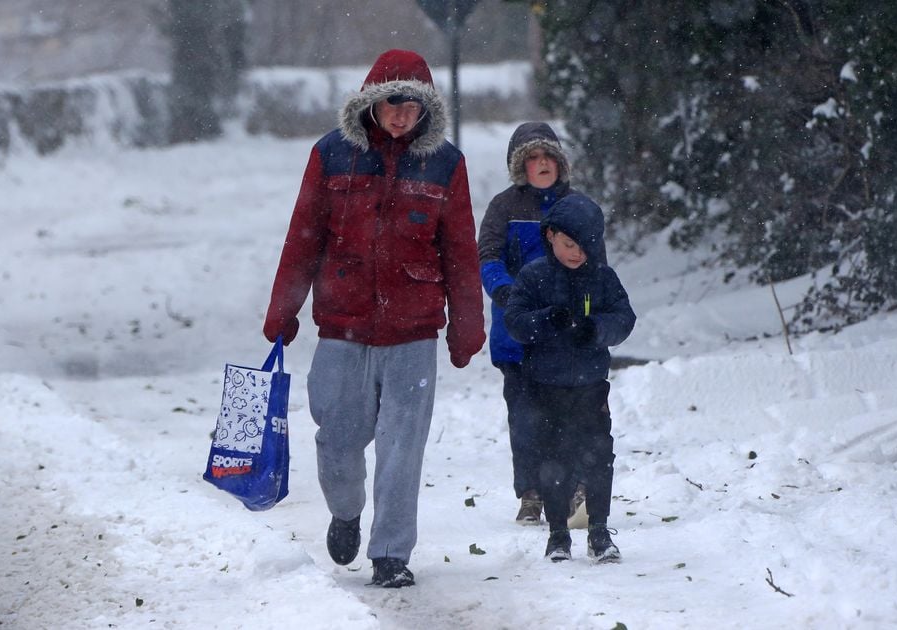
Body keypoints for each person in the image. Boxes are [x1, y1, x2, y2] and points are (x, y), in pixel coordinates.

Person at [263, 49, 485, 588]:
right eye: (392, 103)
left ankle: (391, 554)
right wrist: (283, 309)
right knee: (336, 439)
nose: (402, 115)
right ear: (371, 102)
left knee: (402, 448)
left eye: (413, 105)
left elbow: (459, 249)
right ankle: (346, 511)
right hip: (343, 325)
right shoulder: (332, 155)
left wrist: (467, 323)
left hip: (413, 331)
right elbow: (304, 235)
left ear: (426, 108)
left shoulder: (445, 164)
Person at [503, 193, 635, 563]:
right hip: (545, 387)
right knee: (554, 460)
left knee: (598, 457)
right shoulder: (534, 277)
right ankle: (558, 535)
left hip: (592, 387)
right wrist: (545, 320)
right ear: (550, 237)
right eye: (569, 245)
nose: (577, 253)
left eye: (586, 246)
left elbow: (624, 319)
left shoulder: (603, 278)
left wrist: (595, 329)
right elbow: (515, 321)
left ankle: (599, 531)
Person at [476, 122, 591, 525]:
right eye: (533, 159)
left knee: (570, 416)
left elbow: (596, 265)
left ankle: (576, 489)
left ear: (560, 163)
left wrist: (588, 312)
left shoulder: (578, 207)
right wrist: (507, 294)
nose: (542, 165)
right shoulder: (503, 208)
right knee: (525, 419)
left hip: (566, 337)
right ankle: (530, 493)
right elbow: (487, 257)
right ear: (519, 167)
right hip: (518, 337)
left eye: (549, 158)